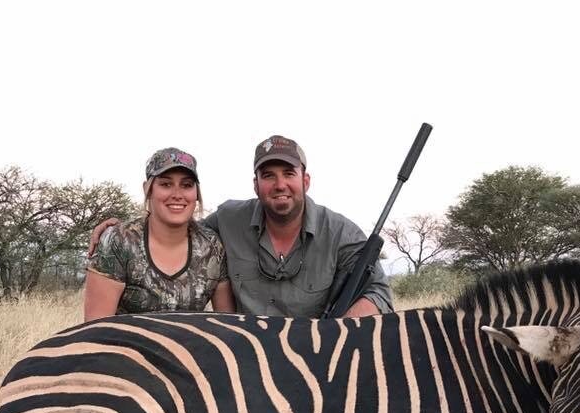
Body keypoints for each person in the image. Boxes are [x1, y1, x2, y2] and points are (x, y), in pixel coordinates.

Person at [89, 135, 393, 319]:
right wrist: (116, 230)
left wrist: (338, 330)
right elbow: (175, 227)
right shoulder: (227, 221)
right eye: (268, 175)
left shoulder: (342, 233)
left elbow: (378, 291)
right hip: (245, 365)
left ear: (306, 180)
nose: (279, 184)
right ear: (256, 184)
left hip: (313, 361)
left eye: (288, 173)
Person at [84, 147, 235, 321]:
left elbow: (227, 323)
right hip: (124, 347)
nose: (177, 195)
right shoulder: (119, 241)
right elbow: (96, 328)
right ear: (147, 189)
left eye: (186, 185)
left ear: (196, 193)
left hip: (191, 347)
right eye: (166, 184)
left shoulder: (212, 246)